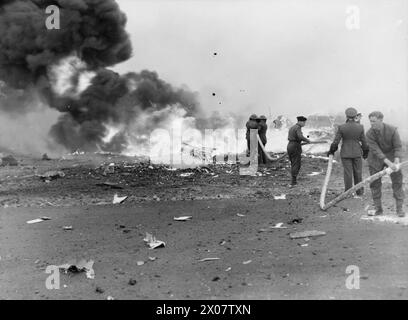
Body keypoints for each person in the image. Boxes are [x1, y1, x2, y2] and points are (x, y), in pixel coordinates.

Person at [366, 111, 404, 217]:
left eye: (374, 121)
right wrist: (388, 162)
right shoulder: (369, 133)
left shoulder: (392, 130)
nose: (371, 123)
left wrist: (396, 160)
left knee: (397, 182)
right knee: (375, 184)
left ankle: (399, 209)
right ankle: (378, 209)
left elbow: (398, 146)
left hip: (392, 157)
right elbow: (376, 151)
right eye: (370, 121)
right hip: (375, 160)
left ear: (381, 120)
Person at [327, 107, 369, 195]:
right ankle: (359, 192)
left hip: (345, 153)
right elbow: (364, 142)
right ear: (355, 116)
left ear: (346, 116)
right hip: (357, 153)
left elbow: (336, 142)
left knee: (348, 173)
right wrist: (365, 153)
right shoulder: (360, 127)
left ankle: (348, 193)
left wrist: (331, 151)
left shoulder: (342, 127)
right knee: (358, 173)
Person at [287, 116, 311, 186]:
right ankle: (293, 182)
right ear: (300, 122)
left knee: (293, 163)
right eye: (304, 122)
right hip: (295, 146)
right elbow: (300, 136)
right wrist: (307, 140)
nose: (304, 124)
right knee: (296, 164)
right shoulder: (298, 128)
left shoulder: (292, 127)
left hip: (290, 145)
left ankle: (293, 180)